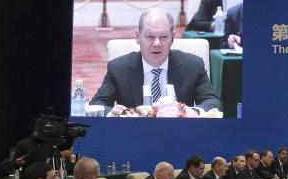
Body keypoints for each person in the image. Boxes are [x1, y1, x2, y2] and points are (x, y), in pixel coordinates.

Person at [90, 7, 221, 115]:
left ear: (173, 37)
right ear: (137, 36)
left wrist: (195, 112)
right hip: (133, 137)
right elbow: (96, 104)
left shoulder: (193, 65)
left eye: (163, 37)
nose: (157, 43)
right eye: (150, 37)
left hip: (179, 136)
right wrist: (111, 112)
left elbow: (212, 102)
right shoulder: (119, 68)